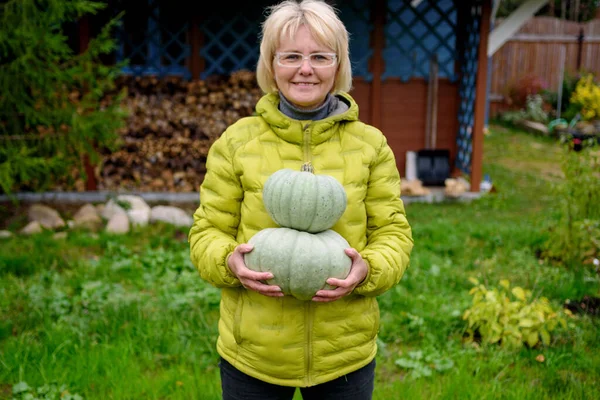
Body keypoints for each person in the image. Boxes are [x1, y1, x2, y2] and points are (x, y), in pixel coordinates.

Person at [188, 1, 413, 398]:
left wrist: (370, 268)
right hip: (254, 352)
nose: (305, 69)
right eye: (291, 56)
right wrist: (228, 261)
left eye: (319, 57)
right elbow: (207, 231)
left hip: (344, 352)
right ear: (271, 65)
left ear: (337, 65)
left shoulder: (371, 146)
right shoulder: (237, 143)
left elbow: (393, 233)